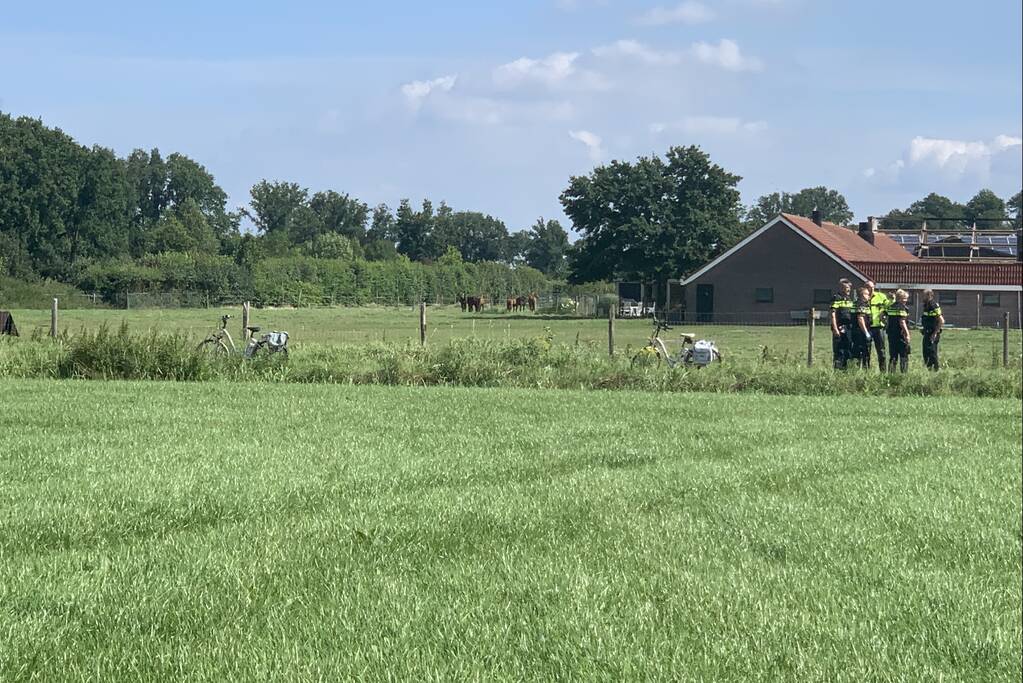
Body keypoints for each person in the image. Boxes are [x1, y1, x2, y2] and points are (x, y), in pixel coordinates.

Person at [864, 280, 890, 372]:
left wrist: (885, 313)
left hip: (879, 327)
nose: (871, 289)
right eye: (869, 287)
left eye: (873, 287)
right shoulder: (862, 298)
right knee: (866, 351)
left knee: (881, 351)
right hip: (867, 328)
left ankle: (883, 372)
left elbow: (889, 306)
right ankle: (866, 371)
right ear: (865, 288)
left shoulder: (881, 296)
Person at [830, 278, 854, 369]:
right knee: (839, 350)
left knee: (848, 349)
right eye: (846, 287)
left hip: (848, 328)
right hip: (840, 327)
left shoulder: (849, 299)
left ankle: (846, 369)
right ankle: (838, 370)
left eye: (849, 288)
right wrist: (835, 329)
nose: (848, 290)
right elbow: (833, 315)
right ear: (841, 288)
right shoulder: (836, 298)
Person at [886, 289, 911, 373]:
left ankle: (891, 374)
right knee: (903, 355)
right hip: (901, 335)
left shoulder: (890, 307)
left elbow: (881, 315)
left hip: (891, 334)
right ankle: (904, 374)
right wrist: (907, 334)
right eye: (904, 298)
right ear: (899, 298)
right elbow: (902, 322)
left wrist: (886, 324)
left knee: (893, 355)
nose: (906, 300)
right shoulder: (902, 308)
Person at [921, 289, 944, 370]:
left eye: (924, 295)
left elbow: (941, 320)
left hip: (932, 333)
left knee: (932, 353)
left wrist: (935, 333)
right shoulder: (926, 305)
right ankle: (929, 369)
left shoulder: (933, 305)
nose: (922, 297)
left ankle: (935, 370)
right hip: (927, 332)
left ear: (929, 295)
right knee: (926, 353)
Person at [852, 286, 873, 369]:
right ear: (862, 295)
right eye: (867, 294)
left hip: (857, 331)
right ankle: (864, 369)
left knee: (858, 351)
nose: (869, 296)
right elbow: (860, 319)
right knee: (864, 351)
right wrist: (866, 332)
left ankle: (857, 368)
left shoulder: (857, 303)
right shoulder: (861, 304)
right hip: (860, 332)